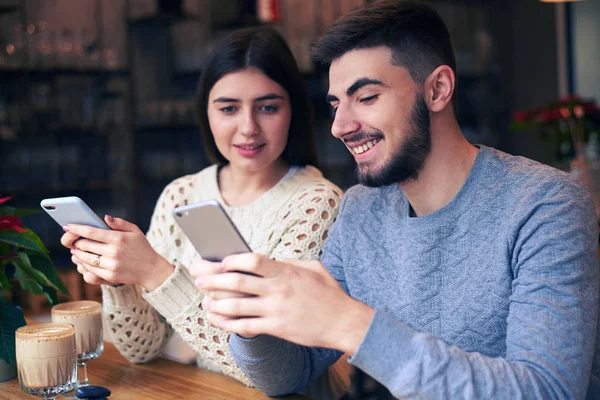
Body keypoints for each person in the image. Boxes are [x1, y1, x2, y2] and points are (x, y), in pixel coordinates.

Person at [189, 1, 600, 399]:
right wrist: (249, 322)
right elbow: (289, 374)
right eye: (336, 104)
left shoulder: (546, 205)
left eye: (366, 98)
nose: (339, 127)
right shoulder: (361, 211)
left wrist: (350, 323)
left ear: (438, 89)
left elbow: (548, 391)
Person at [59, 27, 347, 397]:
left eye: (268, 107)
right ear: (206, 113)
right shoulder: (181, 194)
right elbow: (141, 349)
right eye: (229, 108)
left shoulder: (317, 204)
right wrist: (121, 282)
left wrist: (155, 272)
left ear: (293, 110)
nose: (248, 128)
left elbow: (273, 373)